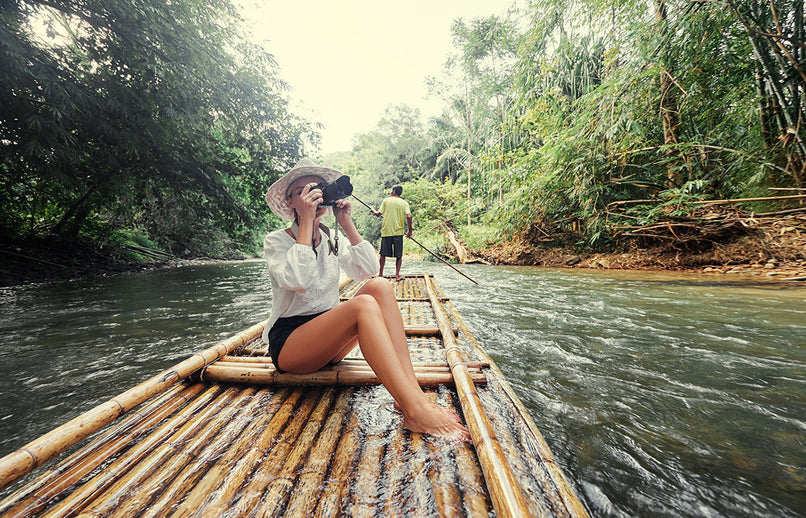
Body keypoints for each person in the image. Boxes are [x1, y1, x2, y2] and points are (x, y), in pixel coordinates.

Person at [262, 159, 469, 439]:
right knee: (362, 306)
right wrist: (307, 223)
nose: (313, 195)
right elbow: (299, 281)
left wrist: (346, 223)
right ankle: (416, 413)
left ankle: (409, 393)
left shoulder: (331, 237)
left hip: (328, 342)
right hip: (291, 346)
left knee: (380, 286)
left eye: (318, 189)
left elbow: (369, 271)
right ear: (291, 201)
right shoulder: (277, 241)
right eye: (304, 190)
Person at [371, 185, 412, 281]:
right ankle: (397, 275)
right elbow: (409, 216)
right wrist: (410, 230)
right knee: (399, 255)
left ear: (393, 191)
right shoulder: (404, 203)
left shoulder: (386, 200)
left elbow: (378, 214)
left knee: (383, 254)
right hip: (398, 232)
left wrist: (373, 210)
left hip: (386, 231)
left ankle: (380, 274)